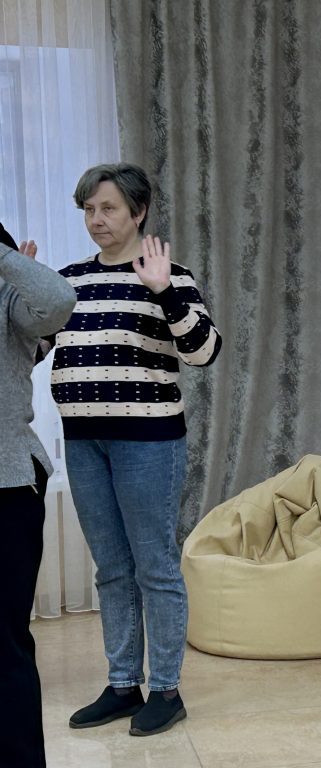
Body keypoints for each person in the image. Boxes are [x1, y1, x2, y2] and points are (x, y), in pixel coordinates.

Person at [45, 163, 222, 737]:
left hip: (149, 443)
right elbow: (30, 347)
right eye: (88, 210)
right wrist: (19, 293)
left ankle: (165, 689)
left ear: (138, 211)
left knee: (155, 567)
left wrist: (164, 292)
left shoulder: (171, 276)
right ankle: (123, 683)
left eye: (109, 208)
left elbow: (204, 352)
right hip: (84, 442)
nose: (96, 220)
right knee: (112, 569)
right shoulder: (68, 281)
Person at [0, 228, 78, 766]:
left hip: (8, 486)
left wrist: (7, 259)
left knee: (4, 640)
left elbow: (57, 301)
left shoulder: (9, 295)